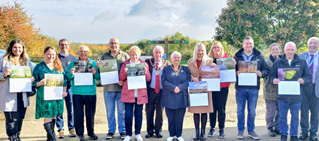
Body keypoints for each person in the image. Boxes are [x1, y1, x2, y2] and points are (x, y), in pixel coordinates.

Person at [269, 41, 312, 141]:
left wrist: (303, 80)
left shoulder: (301, 62)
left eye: (292, 49)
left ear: (295, 50)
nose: (290, 51)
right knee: (282, 116)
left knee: (295, 117)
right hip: (282, 96)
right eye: (288, 49)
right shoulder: (278, 62)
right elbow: (272, 75)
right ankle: (283, 134)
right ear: (284, 50)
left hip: (296, 96)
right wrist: (273, 80)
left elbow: (308, 76)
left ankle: (293, 135)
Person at [234, 36, 270, 140]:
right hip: (240, 88)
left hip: (253, 88)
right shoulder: (237, 56)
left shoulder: (259, 56)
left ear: (253, 44)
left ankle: (251, 130)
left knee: (252, 111)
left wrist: (261, 73)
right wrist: (235, 72)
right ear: (243, 45)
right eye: (247, 43)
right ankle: (240, 131)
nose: (249, 45)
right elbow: (231, 70)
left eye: (250, 43)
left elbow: (266, 70)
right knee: (240, 111)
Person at [0, 40, 35, 141]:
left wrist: (31, 79)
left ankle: (17, 136)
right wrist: (3, 74)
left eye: (19, 47)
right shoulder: (3, 60)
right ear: (11, 48)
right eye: (15, 47)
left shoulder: (26, 61)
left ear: (23, 49)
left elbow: (31, 75)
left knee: (20, 118)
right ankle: (13, 138)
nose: (17, 49)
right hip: (9, 95)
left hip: (22, 95)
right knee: (11, 120)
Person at [33, 46, 68, 141]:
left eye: (53, 54)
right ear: (44, 54)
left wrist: (64, 91)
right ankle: (53, 138)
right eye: (48, 54)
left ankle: (49, 138)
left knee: (54, 115)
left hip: (56, 96)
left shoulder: (59, 66)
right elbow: (33, 82)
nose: (50, 56)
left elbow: (64, 80)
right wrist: (40, 83)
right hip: (44, 96)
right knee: (48, 115)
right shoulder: (39, 67)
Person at [65, 45, 100, 141]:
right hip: (77, 93)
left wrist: (95, 73)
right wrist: (71, 74)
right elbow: (67, 77)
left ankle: (91, 132)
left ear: (88, 53)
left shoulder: (93, 63)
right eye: (81, 51)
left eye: (85, 51)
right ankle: (80, 134)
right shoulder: (73, 63)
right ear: (78, 52)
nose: (83, 53)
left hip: (90, 93)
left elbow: (98, 78)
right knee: (78, 114)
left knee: (90, 114)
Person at [97, 38, 129, 139]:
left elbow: (130, 71)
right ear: (108, 44)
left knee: (121, 112)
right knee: (110, 112)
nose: (113, 45)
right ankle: (111, 131)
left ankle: (122, 131)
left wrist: (124, 81)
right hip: (108, 89)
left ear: (119, 44)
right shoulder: (104, 56)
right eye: (111, 43)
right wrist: (99, 67)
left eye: (115, 43)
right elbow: (100, 73)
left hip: (121, 89)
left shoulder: (125, 56)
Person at [119, 46, 151, 141]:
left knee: (138, 114)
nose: (134, 56)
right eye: (132, 54)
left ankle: (138, 133)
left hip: (140, 94)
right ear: (130, 55)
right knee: (128, 115)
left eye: (136, 54)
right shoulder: (125, 64)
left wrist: (146, 72)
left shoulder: (144, 64)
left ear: (139, 55)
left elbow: (148, 79)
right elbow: (121, 77)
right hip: (129, 94)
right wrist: (125, 73)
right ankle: (128, 134)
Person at [207, 41, 236, 139]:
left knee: (222, 109)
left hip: (223, 88)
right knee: (212, 109)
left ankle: (221, 129)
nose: (216, 49)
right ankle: (212, 128)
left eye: (218, 47)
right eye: (214, 47)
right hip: (212, 87)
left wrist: (234, 65)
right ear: (212, 49)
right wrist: (209, 67)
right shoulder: (208, 60)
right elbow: (204, 71)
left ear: (221, 48)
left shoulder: (227, 59)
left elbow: (232, 72)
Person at [187, 42, 215, 141]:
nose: (200, 52)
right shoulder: (190, 61)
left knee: (204, 111)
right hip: (195, 88)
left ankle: (203, 132)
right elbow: (188, 74)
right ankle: (196, 131)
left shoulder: (209, 61)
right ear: (195, 51)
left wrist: (214, 67)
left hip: (205, 88)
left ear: (204, 51)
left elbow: (214, 72)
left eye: (202, 50)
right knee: (195, 111)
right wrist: (192, 77)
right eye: (198, 50)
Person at [161, 51, 191, 141]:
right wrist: (173, 88)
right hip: (169, 95)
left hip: (182, 96)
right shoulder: (166, 69)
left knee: (180, 116)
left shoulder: (185, 69)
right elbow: (164, 81)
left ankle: (179, 135)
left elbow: (188, 80)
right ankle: (171, 134)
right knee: (170, 116)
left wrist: (180, 88)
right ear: (171, 59)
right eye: (175, 57)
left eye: (178, 57)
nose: (177, 59)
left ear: (180, 59)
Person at [145, 45, 170, 138]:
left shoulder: (167, 64)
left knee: (160, 111)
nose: (158, 54)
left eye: (160, 53)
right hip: (150, 90)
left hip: (162, 91)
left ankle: (158, 130)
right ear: (153, 53)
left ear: (163, 54)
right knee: (149, 110)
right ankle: (149, 131)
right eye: (156, 52)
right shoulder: (147, 62)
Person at [298, 37, 319, 141]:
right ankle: (304, 132)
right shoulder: (301, 56)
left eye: (315, 43)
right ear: (307, 44)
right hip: (303, 88)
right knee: (304, 111)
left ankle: (314, 133)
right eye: (310, 43)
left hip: (316, 87)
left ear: (318, 45)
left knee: (315, 112)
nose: (312, 45)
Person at [56, 38, 77, 138]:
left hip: (70, 87)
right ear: (59, 46)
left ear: (69, 46)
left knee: (71, 109)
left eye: (65, 45)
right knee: (59, 109)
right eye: (62, 44)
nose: (64, 46)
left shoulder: (74, 59)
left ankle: (71, 128)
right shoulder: (55, 58)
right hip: (58, 87)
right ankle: (60, 129)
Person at [263, 43, 282, 137]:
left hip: (282, 90)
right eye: (273, 49)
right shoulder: (266, 62)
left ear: (280, 50)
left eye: (277, 49)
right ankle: (270, 127)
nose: (275, 51)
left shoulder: (284, 61)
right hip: (270, 90)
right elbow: (265, 74)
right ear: (270, 51)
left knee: (280, 111)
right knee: (271, 111)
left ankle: (277, 127)